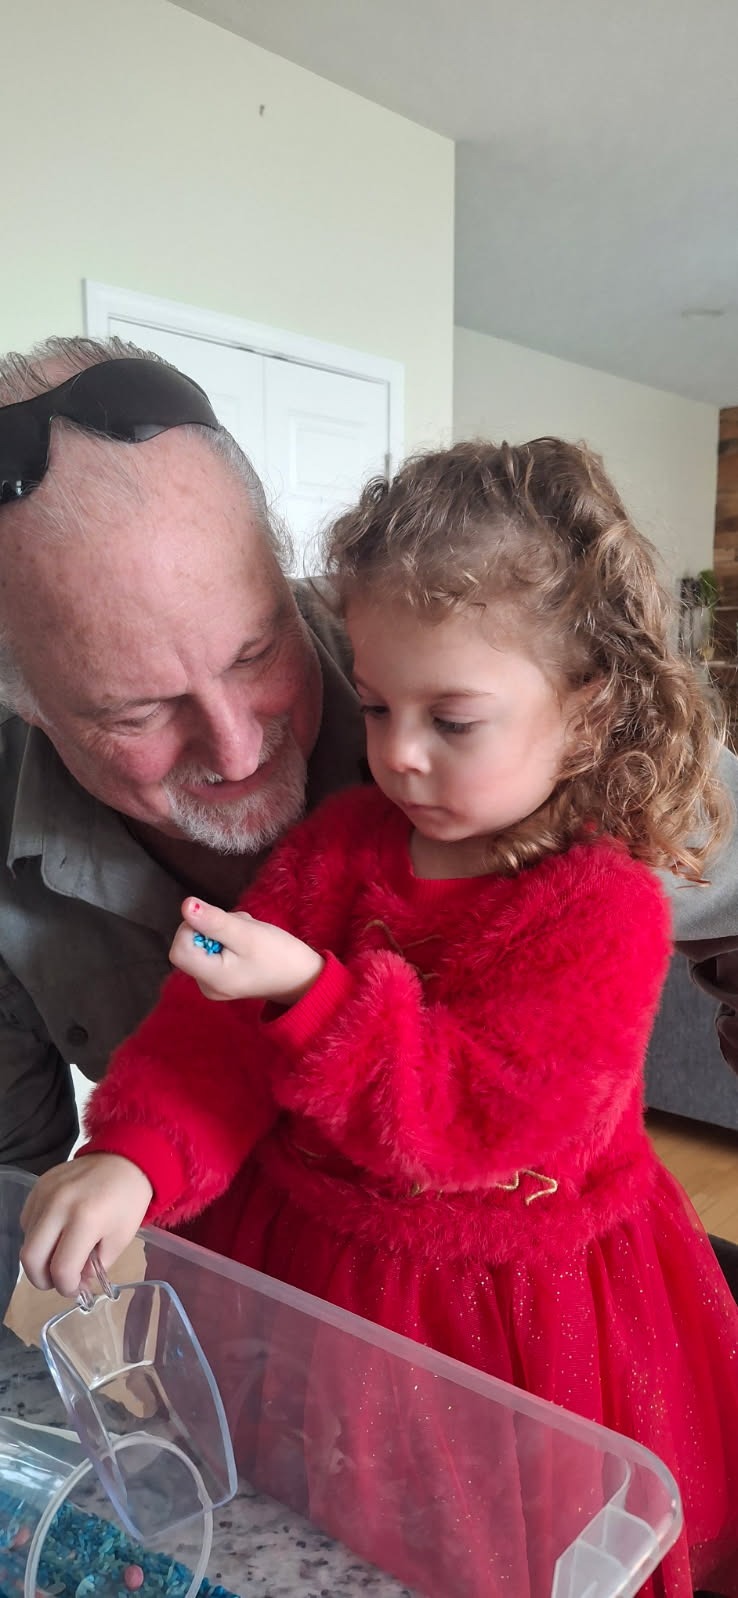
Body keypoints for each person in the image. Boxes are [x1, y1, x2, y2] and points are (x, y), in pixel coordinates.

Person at [21, 440, 738, 1598]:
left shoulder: (601, 903)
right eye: (374, 703)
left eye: (452, 719)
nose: (396, 753)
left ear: (588, 714)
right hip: (303, 1268)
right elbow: (210, 1034)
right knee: (310, 1530)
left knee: (486, 1547)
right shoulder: (342, 844)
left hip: (506, 1307)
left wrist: (312, 996)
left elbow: (493, 1117)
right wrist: (132, 1154)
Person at [0, 335, 365, 1172]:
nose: (238, 751)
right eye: (139, 713)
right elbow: (13, 1180)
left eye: (256, 654)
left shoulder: (444, 671)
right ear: (28, 707)